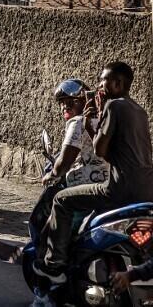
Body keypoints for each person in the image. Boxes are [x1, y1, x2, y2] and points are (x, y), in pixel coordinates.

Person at [35, 61, 153, 287]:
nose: (100, 85)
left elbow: (99, 149)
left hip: (118, 189)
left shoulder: (113, 106)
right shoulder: (140, 111)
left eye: (104, 80)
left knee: (61, 200)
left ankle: (54, 265)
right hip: (146, 191)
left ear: (118, 83)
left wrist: (91, 120)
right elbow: (111, 155)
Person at [30, 79, 109, 262]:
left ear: (86, 101)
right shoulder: (106, 118)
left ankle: (55, 264)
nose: (65, 106)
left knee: (57, 212)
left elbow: (63, 164)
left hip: (86, 187)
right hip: (112, 185)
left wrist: (50, 175)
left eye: (72, 101)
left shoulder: (78, 123)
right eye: (62, 102)